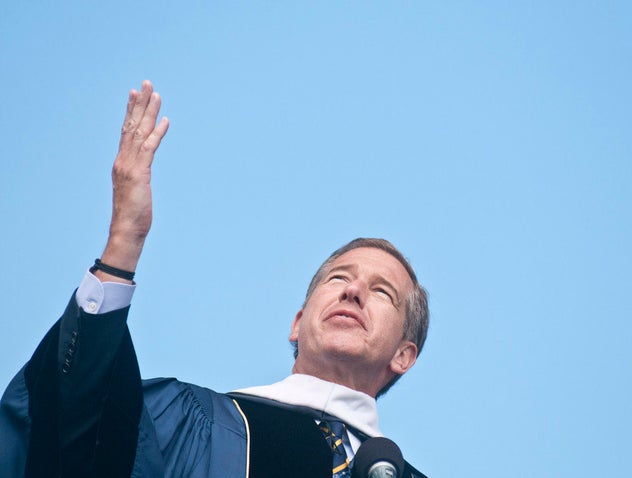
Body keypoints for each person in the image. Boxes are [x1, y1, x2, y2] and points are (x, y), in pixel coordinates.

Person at [0, 81, 429, 478]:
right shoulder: (189, 422)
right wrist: (123, 244)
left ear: (404, 355)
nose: (353, 291)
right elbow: (74, 427)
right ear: (298, 323)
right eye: (338, 278)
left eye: (381, 292)